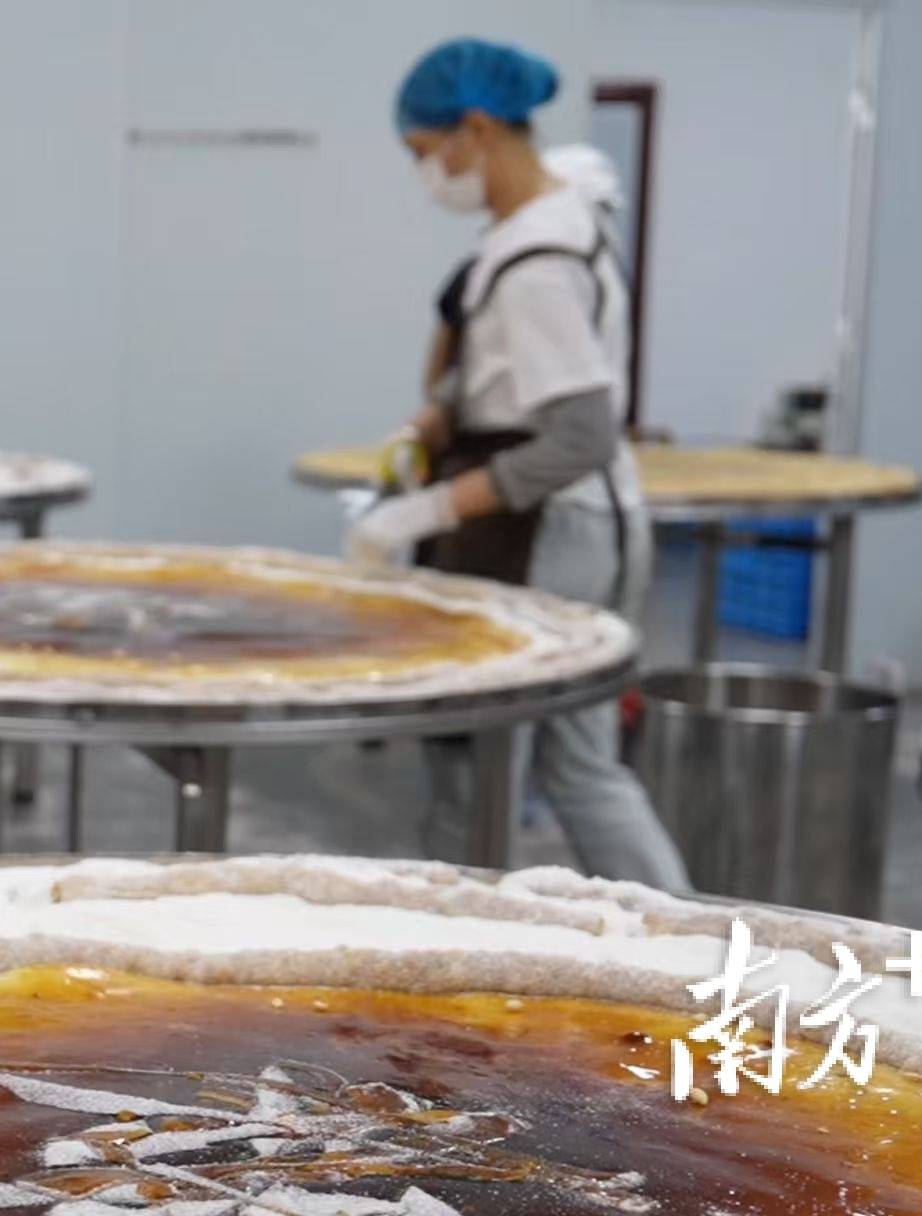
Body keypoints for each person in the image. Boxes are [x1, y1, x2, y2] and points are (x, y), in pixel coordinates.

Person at [346, 38, 689, 891]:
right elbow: (511, 376)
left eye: (426, 153)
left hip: (548, 534)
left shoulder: (537, 259)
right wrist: (440, 417)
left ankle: (462, 934)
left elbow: (580, 435)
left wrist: (428, 511)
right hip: (581, 524)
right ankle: (692, 935)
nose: (427, 175)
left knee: (478, 767)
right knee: (582, 767)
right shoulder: (544, 229)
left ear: (476, 129)